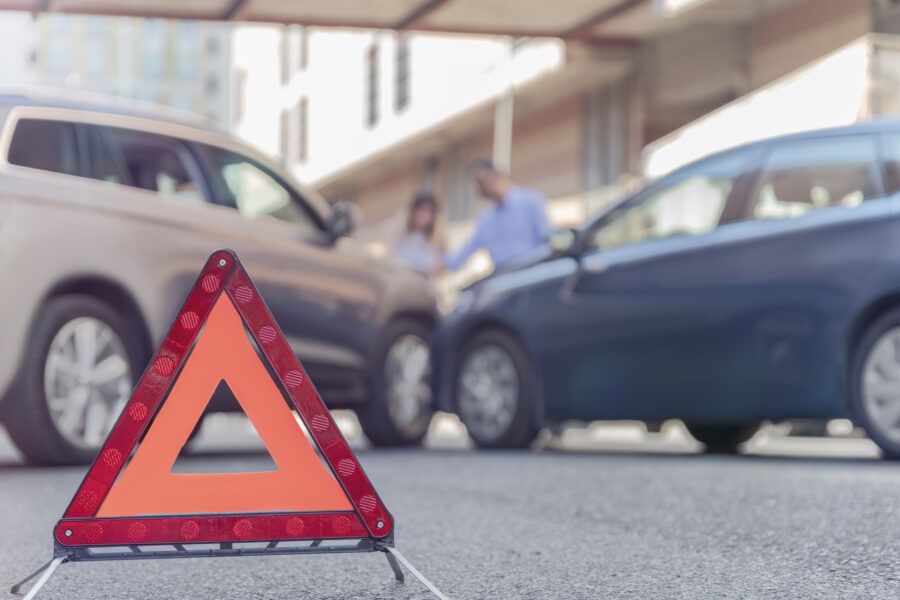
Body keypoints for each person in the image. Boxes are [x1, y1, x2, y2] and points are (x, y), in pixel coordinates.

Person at [444, 158, 550, 271]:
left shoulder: (531, 202)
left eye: (480, 181)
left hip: (535, 275)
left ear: (494, 176)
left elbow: (548, 240)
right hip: (503, 281)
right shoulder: (485, 220)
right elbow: (463, 253)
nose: (477, 188)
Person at [394, 190, 443, 278]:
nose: (425, 215)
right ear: (413, 210)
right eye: (422, 209)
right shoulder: (399, 234)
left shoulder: (435, 240)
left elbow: (441, 267)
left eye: (430, 211)